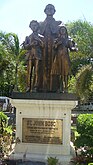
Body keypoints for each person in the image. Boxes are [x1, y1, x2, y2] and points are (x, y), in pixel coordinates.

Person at [39, 4, 62, 91]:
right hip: (43, 47)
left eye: (51, 8)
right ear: (44, 11)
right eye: (47, 8)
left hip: (54, 47)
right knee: (42, 66)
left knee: (55, 66)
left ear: (54, 11)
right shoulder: (40, 24)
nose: (49, 10)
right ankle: (41, 86)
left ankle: (55, 88)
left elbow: (63, 34)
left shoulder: (58, 23)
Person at [52, 26, 77, 92]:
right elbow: (53, 48)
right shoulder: (57, 39)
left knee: (65, 73)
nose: (62, 31)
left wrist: (75, 48)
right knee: (59, 73)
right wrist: (57, 44)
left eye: (64, 30)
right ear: (59, 31)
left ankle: (66, 87)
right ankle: (60, 87)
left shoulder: (68, 40)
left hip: (65, 57)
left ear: (65, 31)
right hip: (58, 57)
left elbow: (71, 48)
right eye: (61, 30)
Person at [23, 20, 44, 92]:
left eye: (35, 25)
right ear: (30, 27)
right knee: (29, 72)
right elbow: (25, 47)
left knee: (37, 72)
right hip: (30, 56)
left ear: (38, 26)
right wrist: (31, 44)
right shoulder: (28, 37)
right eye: (32, 26)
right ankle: (28, 87)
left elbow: (43, 46)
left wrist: (38, 40)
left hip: (38, 56)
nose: (34, 27)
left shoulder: (41, 37)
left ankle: (35, 87)